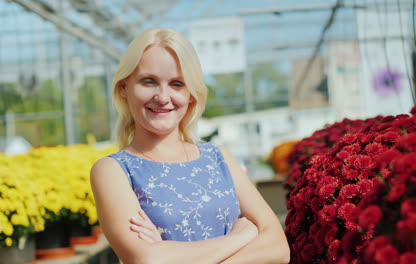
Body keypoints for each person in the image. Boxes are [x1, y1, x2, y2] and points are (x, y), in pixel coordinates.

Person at [90, 27, 290, 264]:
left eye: (177, 84)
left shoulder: (218, 157)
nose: (163, 97)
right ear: (124, 88)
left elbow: (279, 248)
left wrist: (170, 252)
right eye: (149, 81)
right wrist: (242, 236)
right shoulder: (113, 171)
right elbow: (147, 260)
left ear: (192, 94)